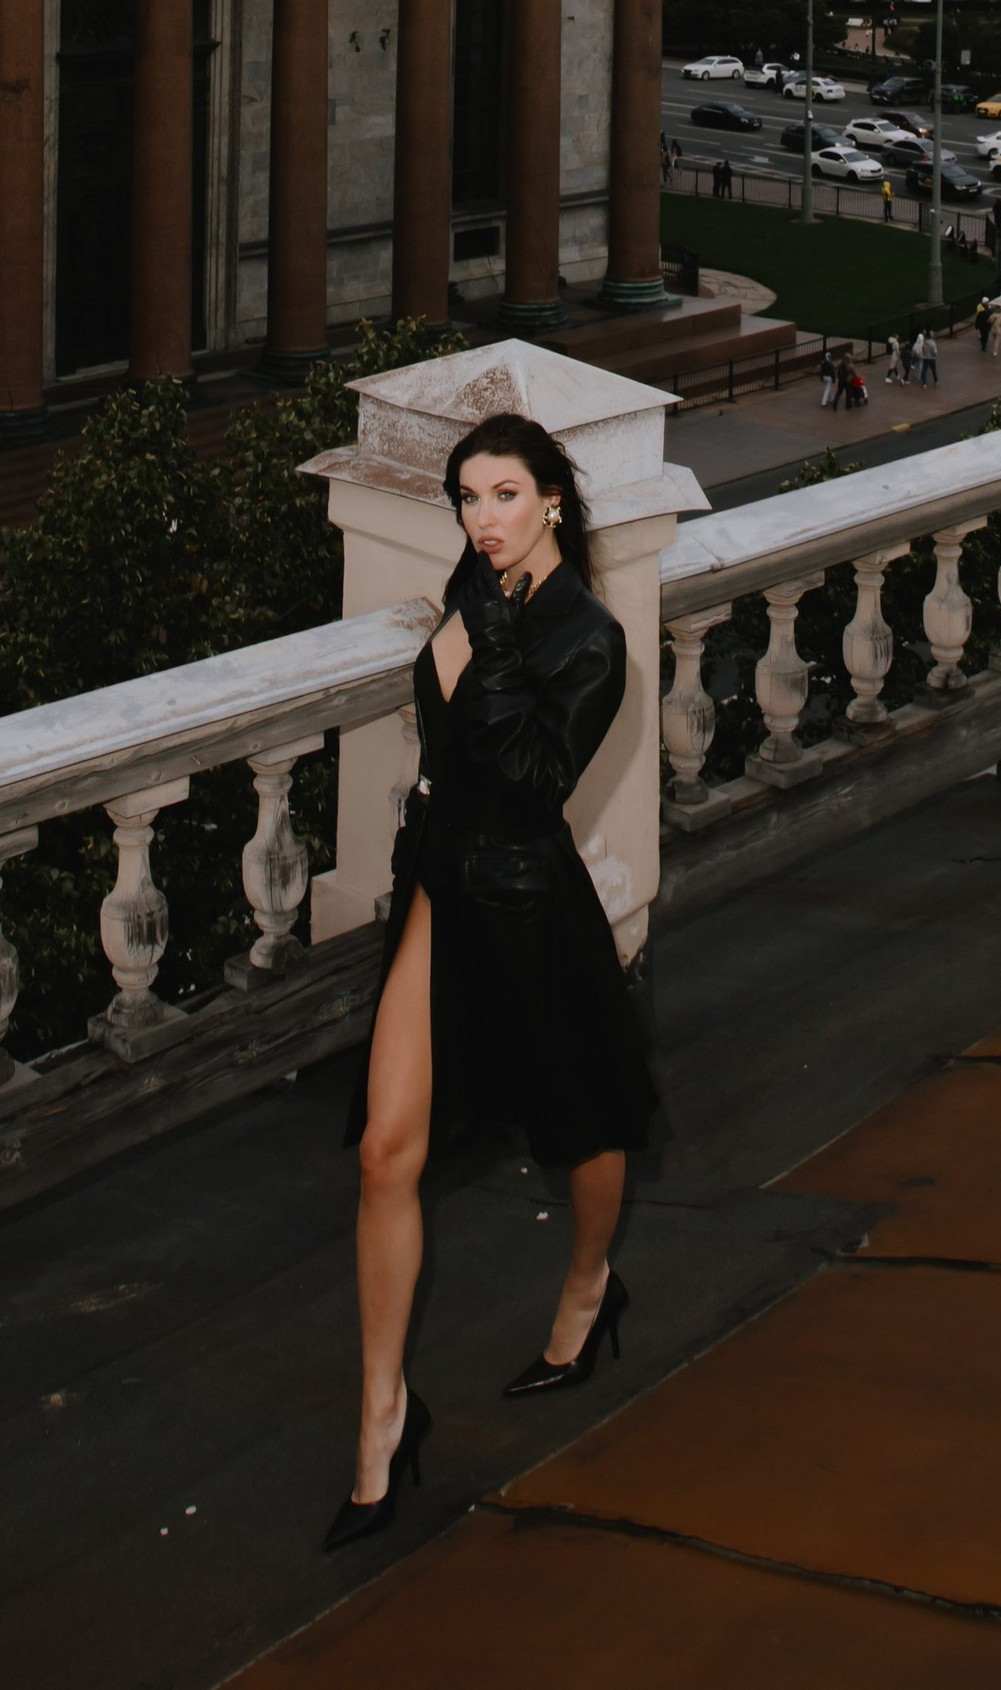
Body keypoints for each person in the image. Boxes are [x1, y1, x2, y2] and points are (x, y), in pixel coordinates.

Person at [333, 411, 658, 1549]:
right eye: (468, 498)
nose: (483, 520)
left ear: (553, 499)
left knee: (583, 1127)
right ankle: (381, 1416)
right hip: (438, 887)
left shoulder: (589, 639)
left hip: (525, 901)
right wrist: (477, 617)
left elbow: (533, 780)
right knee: (385, 1151)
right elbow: (443, 739)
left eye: (505, 495)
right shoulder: (478, 588)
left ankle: (587, 1283)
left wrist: (497, 637)